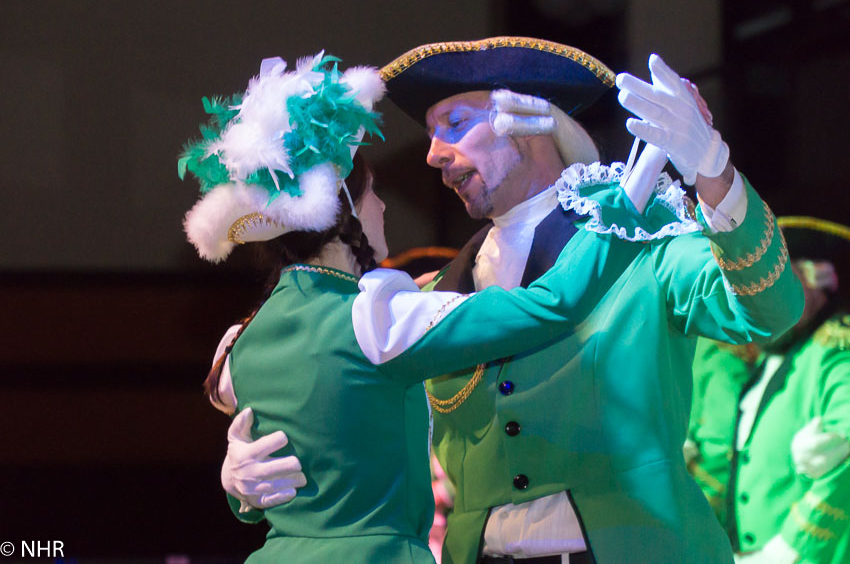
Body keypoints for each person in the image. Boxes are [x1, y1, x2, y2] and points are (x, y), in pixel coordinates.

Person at [217, 38, 804, 563]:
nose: (432, 154)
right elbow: (338, 419)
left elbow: (772, 309)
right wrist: (244, 473)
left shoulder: (643, 247)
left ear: (528, 122)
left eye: (454, 123)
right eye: (432, 133)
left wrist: (714, 171)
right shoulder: (431, 297)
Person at [688, 217, 850, 564]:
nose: (760, 297)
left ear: (816, 279)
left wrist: (789, 548)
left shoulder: (836, 348)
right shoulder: (769, 357)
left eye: (775, 281)